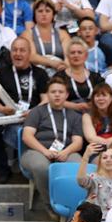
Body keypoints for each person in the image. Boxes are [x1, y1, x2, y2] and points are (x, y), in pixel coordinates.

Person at [0, 37, 49, 184]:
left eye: (22, 50)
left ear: (29, 53)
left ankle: (29, 166)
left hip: (33, 116)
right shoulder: (0, 73)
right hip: (8, 115)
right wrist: (2, 108)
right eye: (15, 50)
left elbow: (46, 100)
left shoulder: (40, 74)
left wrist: (33, 111)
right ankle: (2, 169)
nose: (18, 54)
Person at [21, 77, 84, 212]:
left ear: (66, 95)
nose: (57, 94)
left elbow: (78, 143)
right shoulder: (37, 112)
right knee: (42, 167)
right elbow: (27, 136)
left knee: (78, 166)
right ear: (47, 94)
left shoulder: (74, 116)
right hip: (36, 151)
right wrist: (45, 151)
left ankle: (73, 205)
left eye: (60, 92)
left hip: (65, 151)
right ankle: (50, 205)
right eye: (53, 91)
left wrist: (66, 152)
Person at [22, 0, 69, 76]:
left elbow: (69, 56)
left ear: (53, 15)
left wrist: (65, 66)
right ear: (34, 14)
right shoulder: (27, 34)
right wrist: (52, 63)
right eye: (40, 11)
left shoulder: (62, 34)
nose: (44, 14)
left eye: (47, 11)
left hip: (60, 73)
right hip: (35, 74)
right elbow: (31, 56)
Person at [55, 37, 105, 111]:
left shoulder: (96, 77)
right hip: (67, 113)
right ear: (68, 56)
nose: (76, 55)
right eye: (72, 53)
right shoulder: (59, 77)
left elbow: (103, 96)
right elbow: (54, 99)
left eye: (79, 52)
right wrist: (74, 106)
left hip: (92, 112)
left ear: (86, 56)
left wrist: (91, 105)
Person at [81, 83, 112, 158]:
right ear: (93, 99)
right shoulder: (87, 116)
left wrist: (110, 143)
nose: (101, 99)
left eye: (104, 95)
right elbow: (91, 138)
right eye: (97, 96)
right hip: (97, 150)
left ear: (111, 98)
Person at [77, 143, 112, 216]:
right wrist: (86, 157)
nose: (108, 160)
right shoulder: (94, 178)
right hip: (97, 220)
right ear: (100, 162)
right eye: (104, 157)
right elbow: (81, 180)